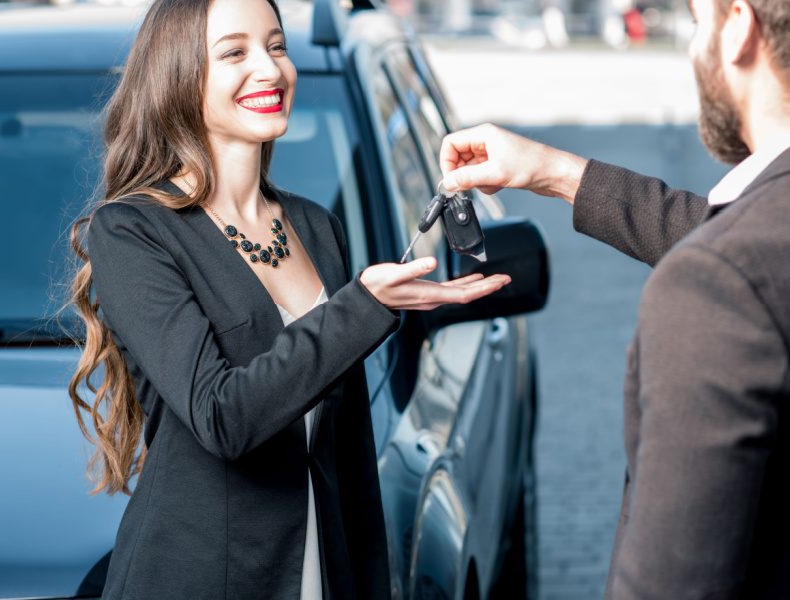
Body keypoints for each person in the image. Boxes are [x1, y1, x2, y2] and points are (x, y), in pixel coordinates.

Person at [439, 0, 790, 597]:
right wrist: (556, 172)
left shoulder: (717, 288)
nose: (692, 47)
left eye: (695, 21)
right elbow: (779, 245)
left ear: (737, 24)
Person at [64, 0, 510, 598]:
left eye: (277, 46)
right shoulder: (134, 231)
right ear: (177, 75)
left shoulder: (315, 227)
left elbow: (351, 462)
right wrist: (364, 306)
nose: (270, 70)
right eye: (234, 52)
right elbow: (222, 418)